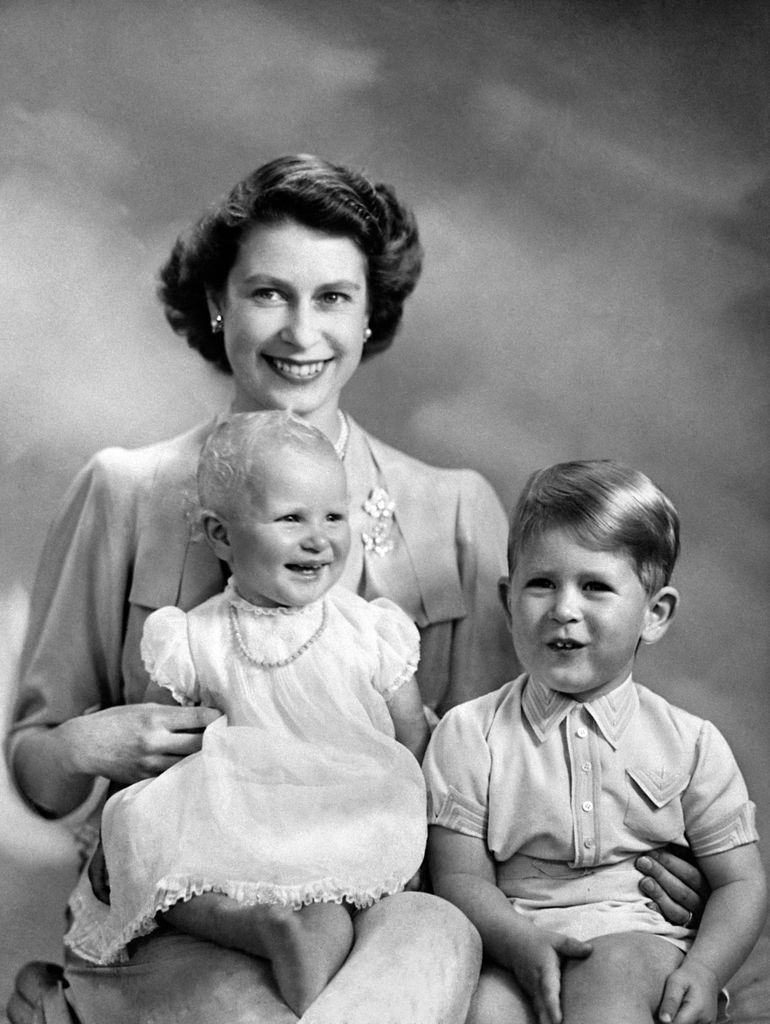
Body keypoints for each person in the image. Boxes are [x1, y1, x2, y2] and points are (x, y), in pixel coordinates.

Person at [6, 154, 704, 1023]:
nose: (302, 332)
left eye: (333, 297)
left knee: (438, 943)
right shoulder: (126, 491)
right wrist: (87, 745)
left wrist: (632, 856)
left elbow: (519, 751)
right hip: (194, 912)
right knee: (257, 1008)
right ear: (218, 302)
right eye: (268, 293)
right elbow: (38, 771)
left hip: (391, 894)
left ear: (371, 315)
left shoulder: (452, 509)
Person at [66, 410, 430, 1015]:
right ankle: (261, 923)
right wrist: (118, 830)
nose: (320, 538)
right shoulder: (194, 636)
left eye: (334, 516)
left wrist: (419, 838)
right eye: (291, 518)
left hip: (341, 809)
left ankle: (301, 944)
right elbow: (157, 748)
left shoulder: (369, 630)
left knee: (337, 894)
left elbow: (415, 738)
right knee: (150, 844)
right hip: (235, 815)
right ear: (221, 536)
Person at [424, 459, 767, 1024]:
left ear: (654, 614)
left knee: (609, 998)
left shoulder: (691, 742)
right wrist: (516, 941)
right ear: (509, 601)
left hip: (635, 935)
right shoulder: (469, 734)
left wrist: (704, 971)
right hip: (514, 936)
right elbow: (459, 876)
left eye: (595, 587)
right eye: (541, 584)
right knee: (482, 1011)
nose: (564, 609)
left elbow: (740, 882)